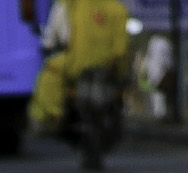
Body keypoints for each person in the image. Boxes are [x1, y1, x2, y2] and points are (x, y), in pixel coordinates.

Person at [29, 0, 131, 131]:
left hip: (75, 65)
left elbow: (54, 36)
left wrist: (48, 44)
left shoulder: (70, 4)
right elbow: (121, 49)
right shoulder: (119, 9)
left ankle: (50, 117)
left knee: (50, 70)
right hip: (109, 67)